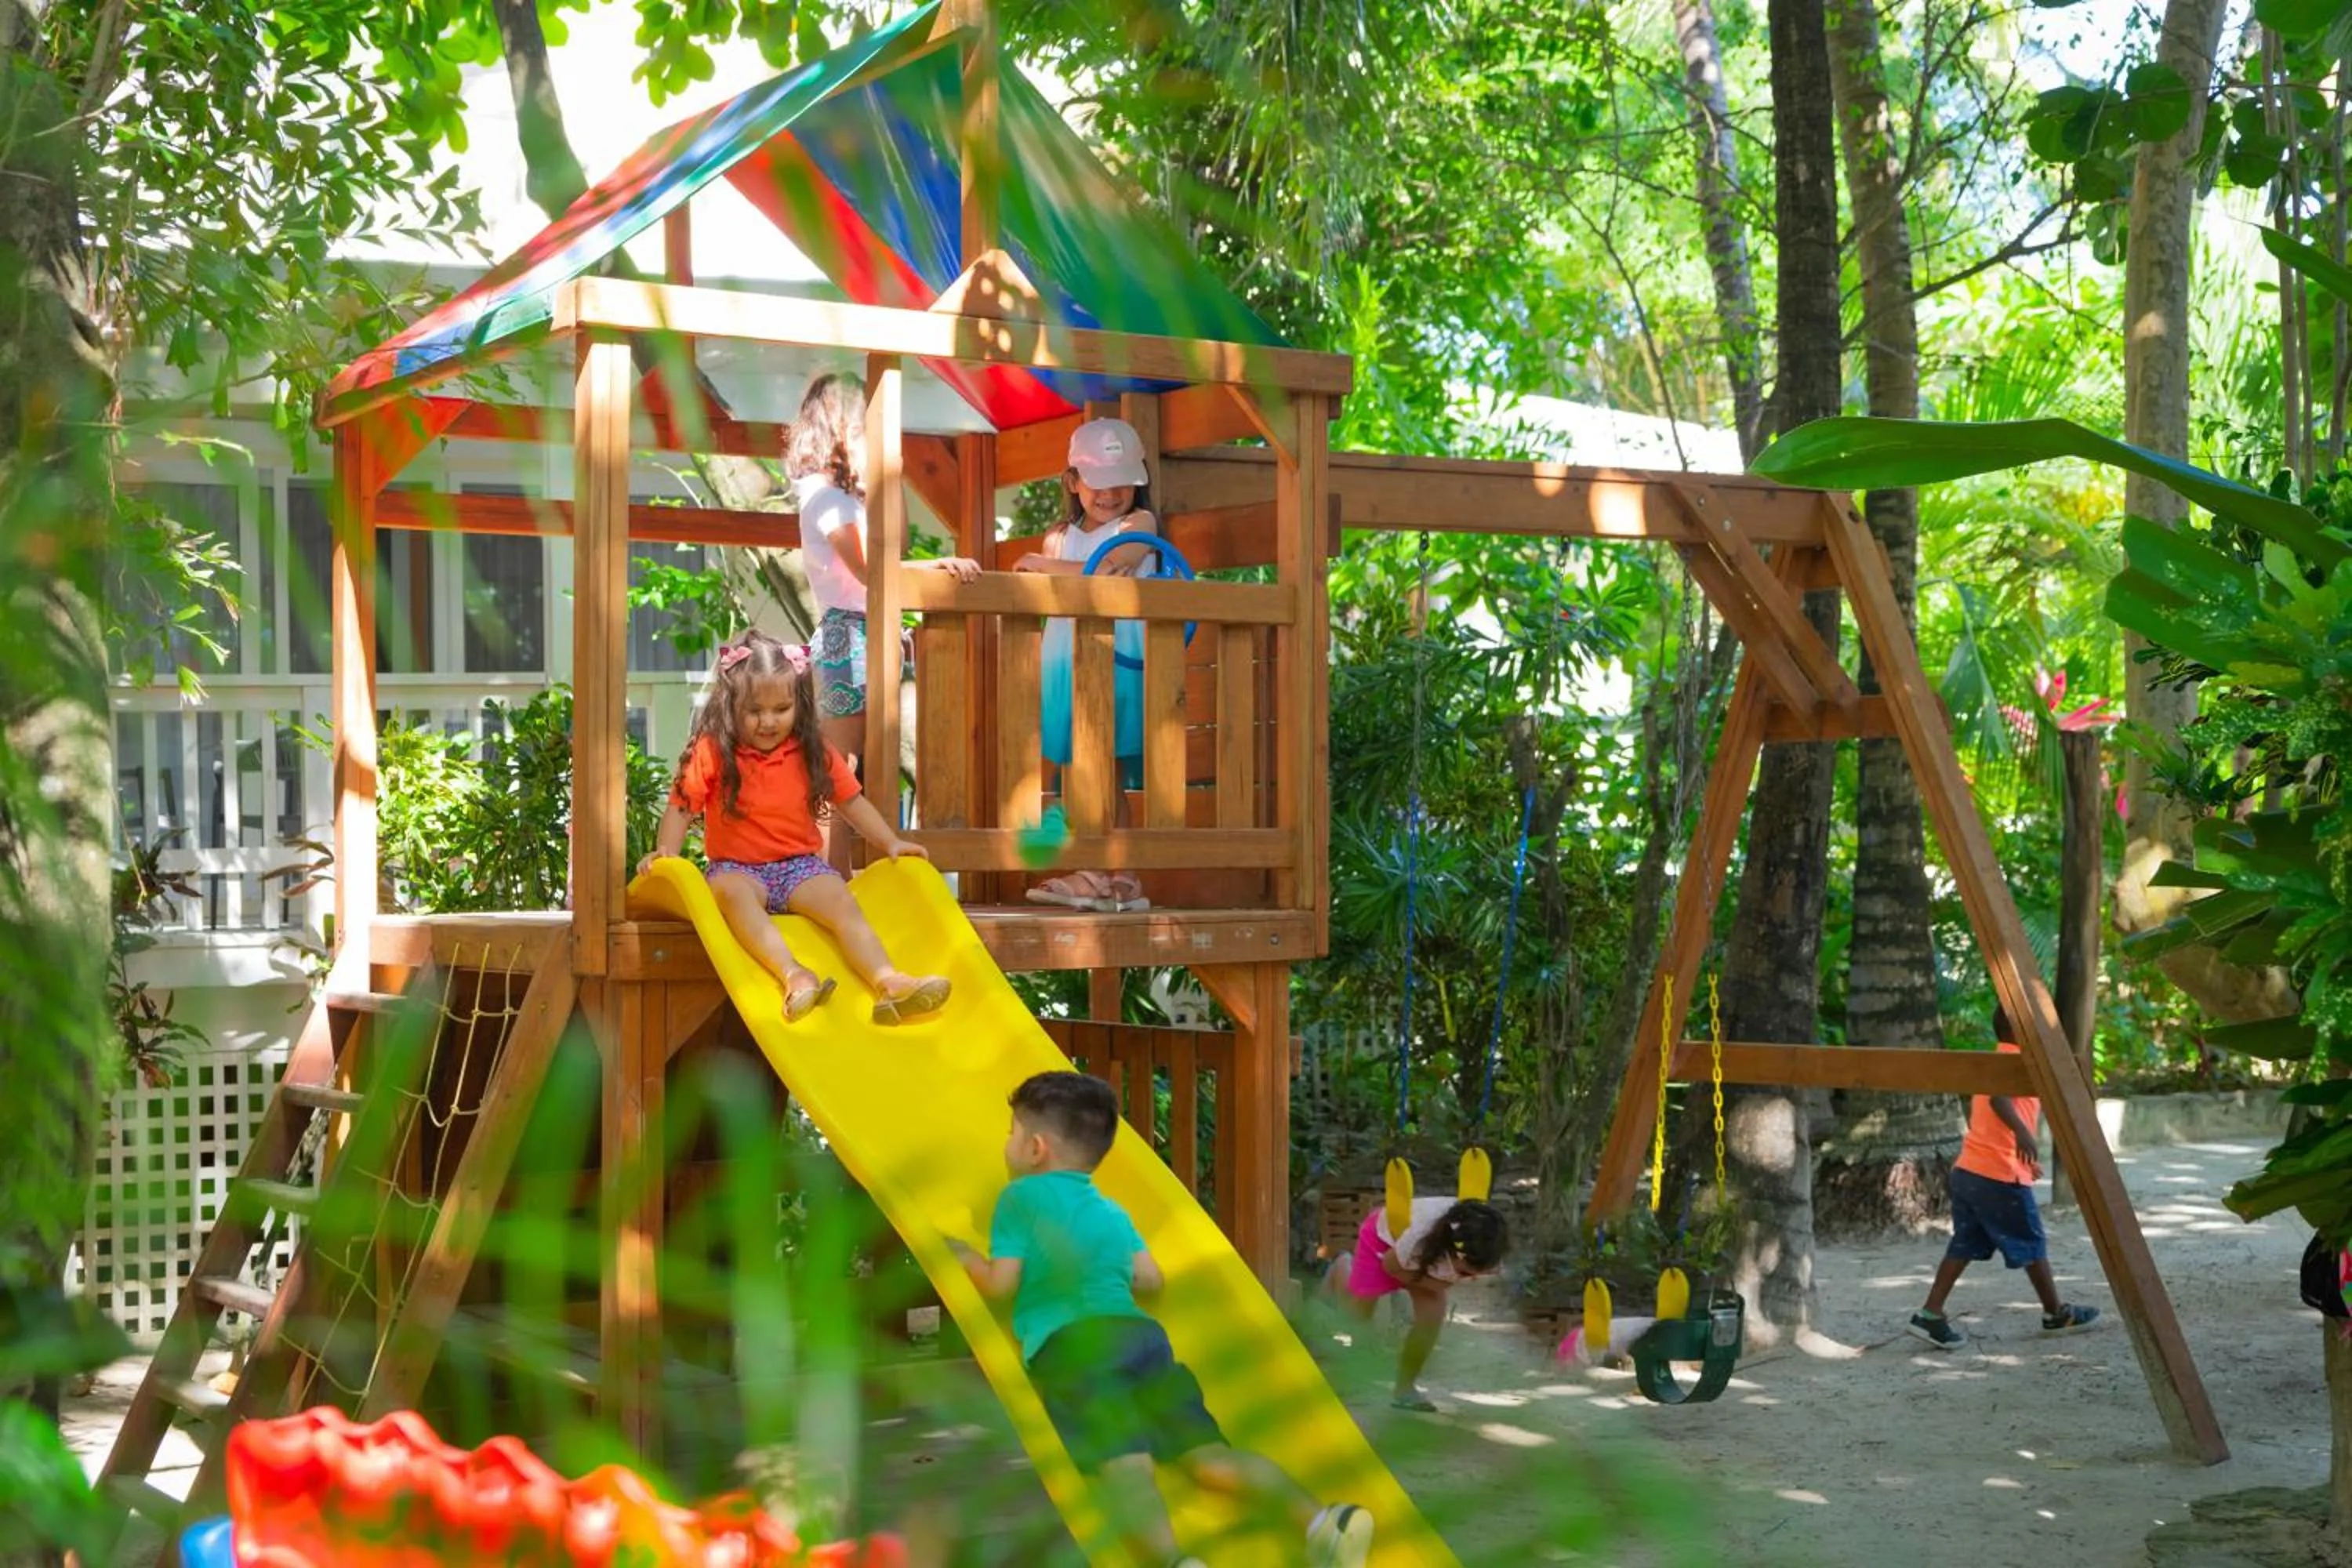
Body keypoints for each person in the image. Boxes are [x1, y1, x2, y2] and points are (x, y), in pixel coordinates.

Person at [956, 1073, 1374, 1568]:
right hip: (1142, 1340)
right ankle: (1321, 1523)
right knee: (1206, 1456)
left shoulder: (1020, 1200)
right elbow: (1151, 1281)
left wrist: (960, 1255)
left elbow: (1000, 1284)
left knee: (1126, 1468)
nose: (1006, 1142)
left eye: (1011, 1131)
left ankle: (1175, 1563)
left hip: (1076, 1349)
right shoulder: (1112, 1213)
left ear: (1036, 1148)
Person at [639, 630, 951, 1025]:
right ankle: (794, 975)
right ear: (730, 703)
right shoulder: (714, 749)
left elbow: (851, 800)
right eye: (754, 711)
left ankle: (889, 982)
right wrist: (667, 853)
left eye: (781, 709)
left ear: (798, 705)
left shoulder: (811, 749)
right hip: (738, 869)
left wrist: (890, 841)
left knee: (841, 901)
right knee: (729, 894)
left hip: (799, 867)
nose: (768, 722)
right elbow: (682, 807)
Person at [789, 372, 982, 773]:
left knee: (867, 774)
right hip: (848, 638)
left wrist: (893, 477)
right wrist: (931, 565)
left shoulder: (850, 497)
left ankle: (877, 838)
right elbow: (868, 569)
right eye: (865, 431)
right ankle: (831, 840)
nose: (875, 441)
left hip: (870, 633)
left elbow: (896, 546)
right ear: (841, 431)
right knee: (840, 777)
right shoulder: (824, 496)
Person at [1014, 417, 1160, 913]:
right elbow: (1093, 571)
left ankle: (1118, 872)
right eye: (1098, 482)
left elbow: (1106, 572)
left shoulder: (1139, 525)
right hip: (1065, 665)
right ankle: (1096, 869)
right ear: (1074, 482)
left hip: (1118, 662)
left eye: (1122, 480)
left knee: (1107, 768)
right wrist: (1054, 567)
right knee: (1079, 769)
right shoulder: (1061, 537)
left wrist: (1042, 567)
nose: (1111, 492)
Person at [1907, 1006, 2102, 1348]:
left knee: (1965, 1244)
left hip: (1972, 1171)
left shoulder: (1998, 1058)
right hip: (1996, 1176)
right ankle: (2056, 1312)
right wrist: (2024, 1135)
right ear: (2022, 1032)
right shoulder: (2014, 1061)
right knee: (2032, 1241)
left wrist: (2021, 1158)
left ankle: (1930, 1314)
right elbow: (1999, 1100)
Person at [1324, 1195, 1510, 1410]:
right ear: (1453, 1253)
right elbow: (1390, 1267)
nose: (1471, 1279)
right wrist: (1435, 1284)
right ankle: (1342, 1266)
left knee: (1430, 1321)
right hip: (1384, 1244)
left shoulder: (1485, 1242)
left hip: (1425, 1261)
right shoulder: (1420, 1237)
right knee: (1359, 1316)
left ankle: (1405, 1389)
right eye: (1464, 1273)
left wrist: (1435, 1283)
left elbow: (1452, 1271)